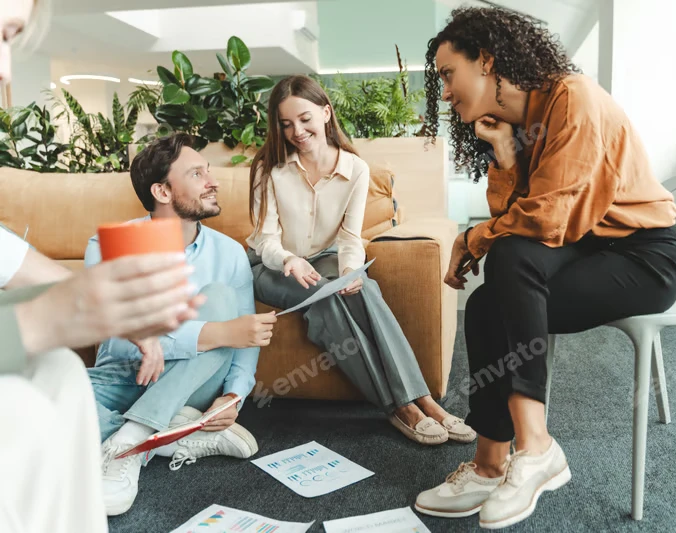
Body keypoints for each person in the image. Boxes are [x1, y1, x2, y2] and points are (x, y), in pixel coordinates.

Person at [414, 6, 676, 530]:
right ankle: (492, 462)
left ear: (488, 61)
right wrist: (505, 156)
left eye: (449, 74)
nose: (444, 92)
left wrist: (473, 238)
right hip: (588, 247)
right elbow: (521, 217)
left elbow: (546, 220)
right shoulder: (521, 122)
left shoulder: (573, 99)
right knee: (492, 297)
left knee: (510, 261)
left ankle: (536, 446)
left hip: (645, 258)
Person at [1, 1, 202, 532]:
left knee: (60, 370)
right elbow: (60, 302)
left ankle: (147, 436)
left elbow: (47, 277)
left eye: (9, 37)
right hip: (115, 380)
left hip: (148, 376)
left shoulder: (222, 249)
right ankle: (150, 436)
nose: (5, 68)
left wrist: (123, 314)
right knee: (22, 402)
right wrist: (44, 320)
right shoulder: (108, 239)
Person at [247, 75, 475, 445]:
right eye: (286, 124)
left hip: (325, 258)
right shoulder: (269, 169)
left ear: (325, 112)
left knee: (362, 287)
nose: (297, 131)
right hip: (270, 265)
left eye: (305, 119)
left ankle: (424, 401)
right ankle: (401, 408)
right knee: (324, 297)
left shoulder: (355, 169)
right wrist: (289, 259)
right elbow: (266, 240)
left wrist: (351, 270)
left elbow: (350, 238)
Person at [85, 133, 276, 516]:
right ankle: (173, 436)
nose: (213, 181)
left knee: (220, 299)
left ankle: (131, 444)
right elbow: (120, 340)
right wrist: (214, 334)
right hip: (122, 376)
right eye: (196, 174)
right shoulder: (111, 244)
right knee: (33, 403)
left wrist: (233, 396)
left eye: (208, 171)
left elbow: (244, 338)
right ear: (162, 191)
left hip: (193, 382)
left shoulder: (228, 253)